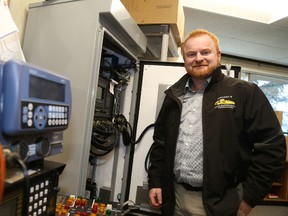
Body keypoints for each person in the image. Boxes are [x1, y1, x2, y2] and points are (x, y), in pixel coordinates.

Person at [148, 28, 286, 216]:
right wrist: (155, 182)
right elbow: (160, 143)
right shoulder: (174, 96)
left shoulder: (245, 93)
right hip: (175, 197)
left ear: (218, 55)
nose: (198, 58)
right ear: (185, 60)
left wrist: (250, 197)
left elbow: (272, 146)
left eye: (205, 52)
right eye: (191, 54)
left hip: (219, 202)